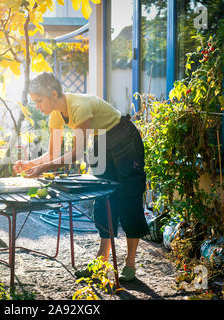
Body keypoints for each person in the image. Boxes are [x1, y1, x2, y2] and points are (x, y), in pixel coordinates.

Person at [13, 72, 149, 282]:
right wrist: (30, 164)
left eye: (39, 101)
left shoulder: (79, 106)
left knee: (129, 198)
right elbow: (53, 153)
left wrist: (43, 168)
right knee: (102, 199)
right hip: (101, 143)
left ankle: (130, 262)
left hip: (124, 138)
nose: (37, 106)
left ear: (54, 94)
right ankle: (101, 263)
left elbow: (76, 154)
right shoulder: (55, 116)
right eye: (35, 102)